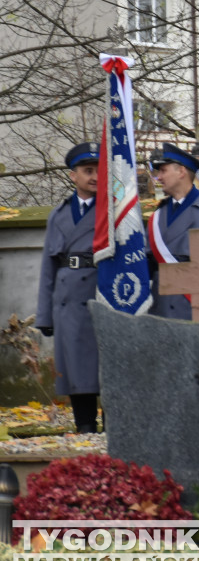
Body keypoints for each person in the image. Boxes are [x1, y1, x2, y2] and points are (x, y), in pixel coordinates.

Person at [35, 142, 102, 433]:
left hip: (100, 294)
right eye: (88, 171)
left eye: (99, 170)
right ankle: (85, 426)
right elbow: (48, 268)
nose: (95, 176)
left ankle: (114, 429)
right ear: (73, 175)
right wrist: (44, 316)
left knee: (105, 365)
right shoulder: (58, 214)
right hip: (67, 300)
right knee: (75, 367)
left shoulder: (113, 212)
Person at [148, 143, 199, 320]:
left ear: (181, 172)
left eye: (163, 171)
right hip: (160, 311)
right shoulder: (157, 215)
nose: (159, 177)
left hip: (193, 311)